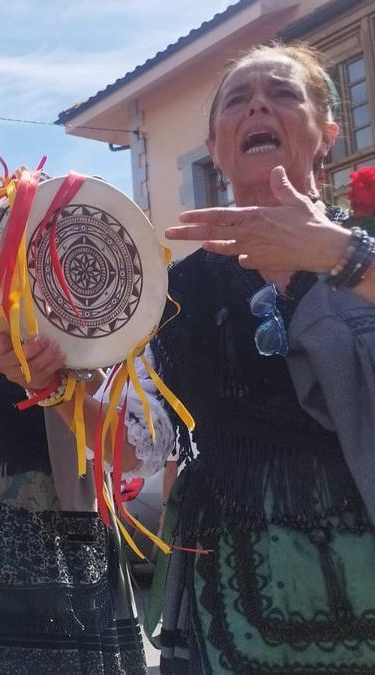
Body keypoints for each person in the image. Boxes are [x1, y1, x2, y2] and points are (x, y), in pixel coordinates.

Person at [149, 43, 375, 672]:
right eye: (238, 100)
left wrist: (338, 256)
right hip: (226, 581)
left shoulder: (363, 249)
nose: (257, 106)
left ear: (327, 134)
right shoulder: (176, 290)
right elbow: (150, 439)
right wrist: (53, 380)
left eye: (282, 92)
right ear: (216, 148)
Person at [0, 320, 171, 674]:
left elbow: (112, 406)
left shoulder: (82, 316)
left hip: (78, 493)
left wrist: (64, 370)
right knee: (1, 633)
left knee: (83, 621)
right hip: (4, 501)